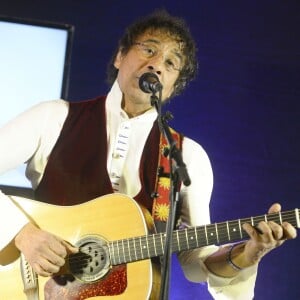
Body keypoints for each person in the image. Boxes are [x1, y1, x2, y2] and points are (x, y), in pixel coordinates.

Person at [0, 10, 297, 300]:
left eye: (170, 63)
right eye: (149, 49)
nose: (156, 65)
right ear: (120, 56)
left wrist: (248, 253)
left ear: (173, 87)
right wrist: (22, 234)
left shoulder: (187, 156)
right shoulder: (53, 118)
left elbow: (197, 262)